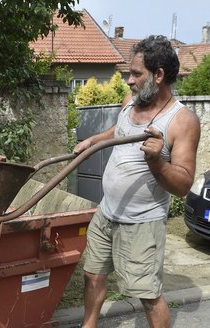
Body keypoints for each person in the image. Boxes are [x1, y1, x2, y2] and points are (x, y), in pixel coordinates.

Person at [74, 35, 200, 328]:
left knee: (147, 295)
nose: (128, 81)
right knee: (92, 274)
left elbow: (182, 185)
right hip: (107, 213)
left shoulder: (182, 121)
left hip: (141, 223)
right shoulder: (130, 102)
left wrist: (157, 161)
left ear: (158, 75)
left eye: (135, 74)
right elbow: (119, 130)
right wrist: (93, 139)